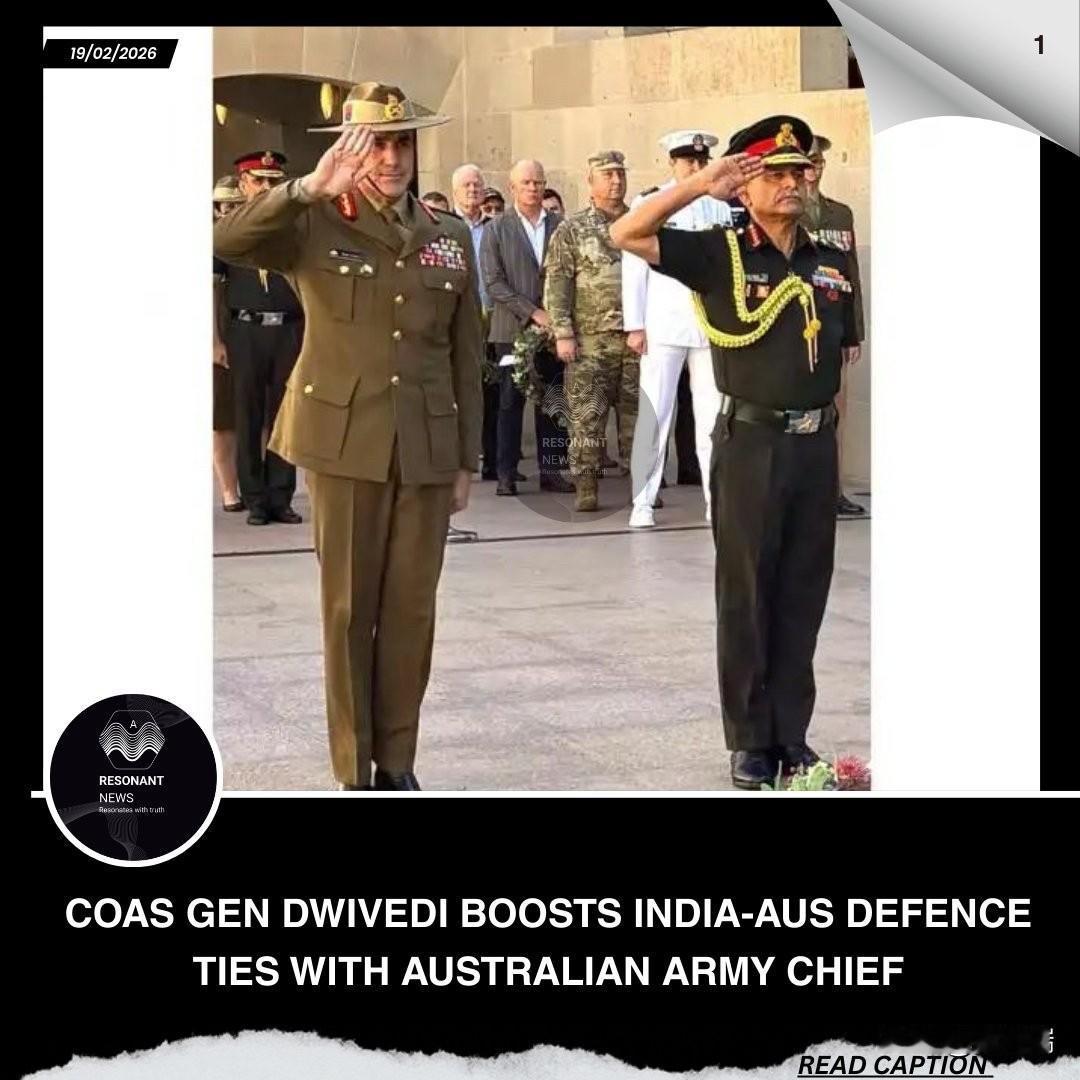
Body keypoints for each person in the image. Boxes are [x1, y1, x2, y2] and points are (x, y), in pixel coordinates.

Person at [214, 82, 483, 792]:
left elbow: (464, 355)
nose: (391, 159)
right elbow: (224, 240)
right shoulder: (313, 221)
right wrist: (307, 187)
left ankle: (397, 764)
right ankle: (353, 769)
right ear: (350, 149)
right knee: (348, 610)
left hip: (425, 446)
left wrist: (466, 459)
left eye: (402, 143)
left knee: (411, 613)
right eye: (376, 145)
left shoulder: (448, 234)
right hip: (343, 441)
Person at [611, 116, 857, 791]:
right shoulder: (720, 252)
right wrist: (700, 187)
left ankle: (791, 734)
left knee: (803, 594)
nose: (791, 183)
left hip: (813, 447)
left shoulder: (830, 258)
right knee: (747, 594)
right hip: (752, 444)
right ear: (744, 187)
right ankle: (749, 740)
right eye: (774, 174)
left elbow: (841, 354)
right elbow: (626, 233)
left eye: (798, 171)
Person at [623, 130, 732, 528]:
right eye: (689, 161)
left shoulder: (721, 205)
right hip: (664, 321)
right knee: (655, 414)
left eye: (702, 161)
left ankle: (715, 500)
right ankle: (642, 501)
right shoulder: (651, 202)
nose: (696, 167)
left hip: (709, 324)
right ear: (672, 162)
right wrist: (635, 323)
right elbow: (634, 265)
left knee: (712, 417)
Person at [543, 150, 639, 512]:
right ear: (591, 182)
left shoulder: (640, 221)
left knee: (638, 418)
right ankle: (585, 485)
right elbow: (558, 282)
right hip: (589, 343)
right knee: (586, 418)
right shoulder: (572, 229)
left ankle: (643, 487)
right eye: (607, 175)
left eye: (620, 174)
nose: (616, 181)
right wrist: (562, 332)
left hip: (636, 339)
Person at [218, 151, 304, 526]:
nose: (267, 188)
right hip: (245, 330)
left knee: (287, 415)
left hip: (289, 328)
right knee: (248, 414)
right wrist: (214, 340)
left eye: (274, 181)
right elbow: (212, 288)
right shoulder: (229, 229)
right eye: (259, 181)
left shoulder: (295, 226)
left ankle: (281, 497)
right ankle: (254, 498)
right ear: (243, 184)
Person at [479, 159, 573, 495]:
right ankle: (506, 473)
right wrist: (532, 312)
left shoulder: (561, 226)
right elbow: (494, 282)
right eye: (526, 183)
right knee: (509, 401)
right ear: (513, 187)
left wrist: (557, 317)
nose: (533, 188)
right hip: (511, 330)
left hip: (552, 331)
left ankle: (552, 471)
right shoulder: (496, 229)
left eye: (538, 182)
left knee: (552, 400)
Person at [802, 133, 867, 517]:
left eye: (819, 163)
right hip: (795, 325)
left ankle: (834, 490)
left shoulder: (840, 214)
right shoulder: (784, 209)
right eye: (808, 163)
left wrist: (854, 332)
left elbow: (850, 275)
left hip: (832, 327)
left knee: (836, 413)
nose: (814, 170)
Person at [451, 164, 499, 481]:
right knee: (458, 391)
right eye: (466, 185)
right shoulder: (442, 225)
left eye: (477, 185)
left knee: (492, 393)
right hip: (456, 319)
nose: (472, 190)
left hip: (492, 319)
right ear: (455, 190)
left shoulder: (495, 227)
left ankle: (493, 461)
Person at [212, 176, 244, 512]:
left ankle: (258, 486)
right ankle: (228, 490)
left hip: (251, 336)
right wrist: (214, 342)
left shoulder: (253, 240)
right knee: (223, 421)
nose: (230, 210)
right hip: (221, 338)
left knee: (261, 418)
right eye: (226, 205)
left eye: (237, 204)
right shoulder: (214, 244)